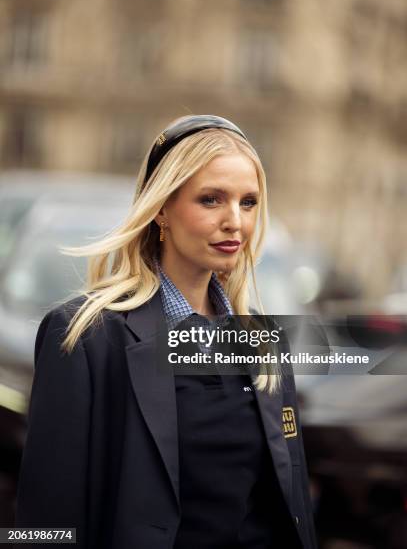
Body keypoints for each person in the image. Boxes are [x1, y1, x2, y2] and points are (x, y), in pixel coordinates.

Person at [15, 115, 317, 548]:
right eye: (211, 199)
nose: (235, 221)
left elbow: (291, 511)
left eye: (248, 202)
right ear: (160, 209)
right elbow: (43, 522)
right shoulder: (85, 336)